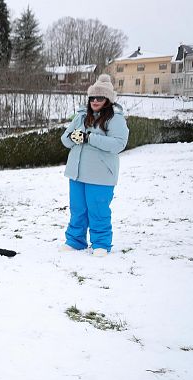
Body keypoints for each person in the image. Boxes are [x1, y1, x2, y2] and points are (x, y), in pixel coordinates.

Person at [60, 74, 129, 256]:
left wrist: (90, 138)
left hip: (101, 175)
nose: (95, 101)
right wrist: (73, 137)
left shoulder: (115, 119)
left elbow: (118, 144)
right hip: (76, 172)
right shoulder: (82, 116)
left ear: (108, 100)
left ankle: (101, 243)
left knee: (98, 210)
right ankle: (75, 241)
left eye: (100, 98)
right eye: (93, 97)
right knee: (78, 210)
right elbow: (65, 140)